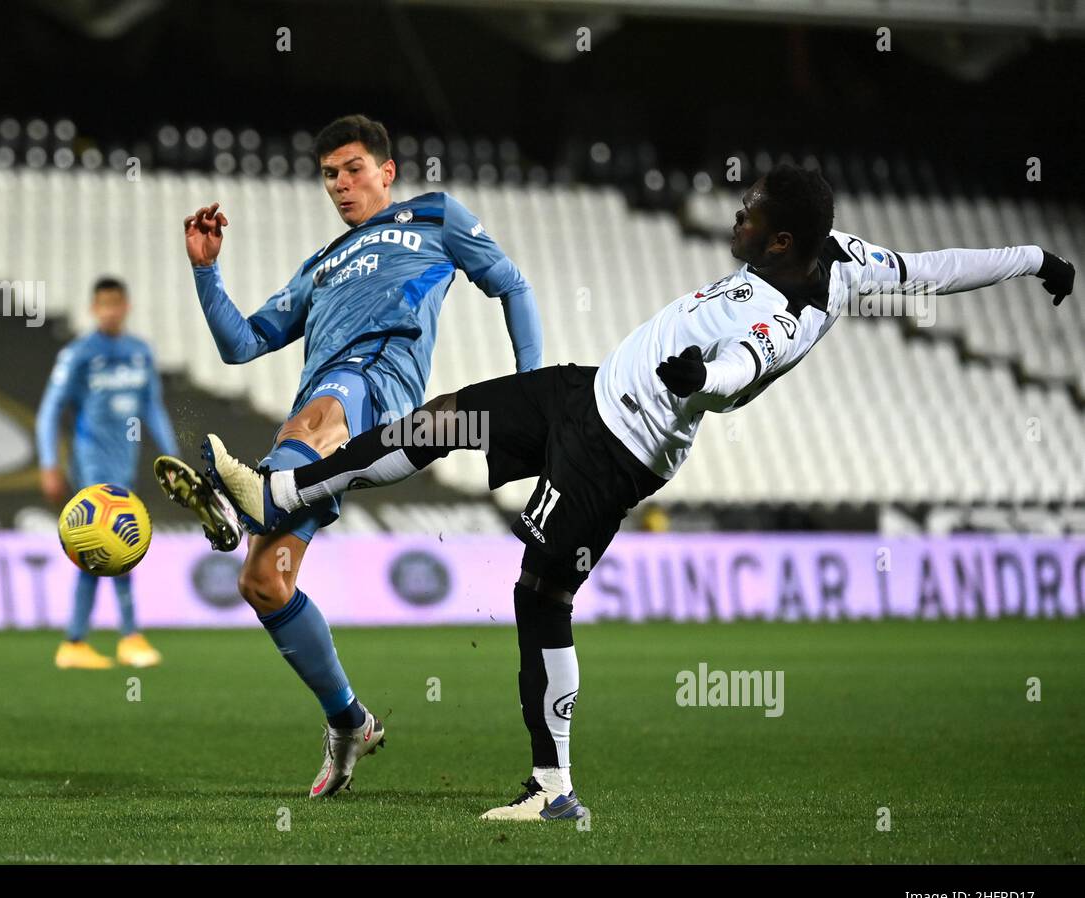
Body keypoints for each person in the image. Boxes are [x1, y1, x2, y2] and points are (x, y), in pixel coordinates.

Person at [175, 163, 1075, 819]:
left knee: (540, 594)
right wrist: (1036, 255)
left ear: (780, 241)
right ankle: (280, 494)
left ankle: (554, 787)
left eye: (750, 213)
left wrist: (700, 376)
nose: (737, 214)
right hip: (584, 389)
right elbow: (935, 268)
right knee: (443, 418)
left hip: (620, 449)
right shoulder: (844, 255)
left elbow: (738, 369)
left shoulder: (790, 317)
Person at [155, 113, 543, 798]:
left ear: (386, 172)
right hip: (311, 439)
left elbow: (512, 284)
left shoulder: (436, 216)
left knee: (326, 402)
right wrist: (206, 272)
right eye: (329, 174)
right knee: (262, 583)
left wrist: (530, 387)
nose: (340, 184)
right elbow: (241, 344)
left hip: (376, 391)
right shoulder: (322, 263)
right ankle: (349, 721)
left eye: (353, 168)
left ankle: (242, 498)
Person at [37, 276, 179, 669]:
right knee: (108, 547)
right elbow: (50, 410)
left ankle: (77, 643)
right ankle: (126, 637)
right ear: (93, 309)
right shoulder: (79, 354)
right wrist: (49, 462)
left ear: (127, 306)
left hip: (124, 467)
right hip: (90, 465)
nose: (111, 311)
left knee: (103, 552)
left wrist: (172, 457)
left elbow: (153, 408)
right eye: (103, 305)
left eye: (117, 304)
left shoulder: (140, 352)